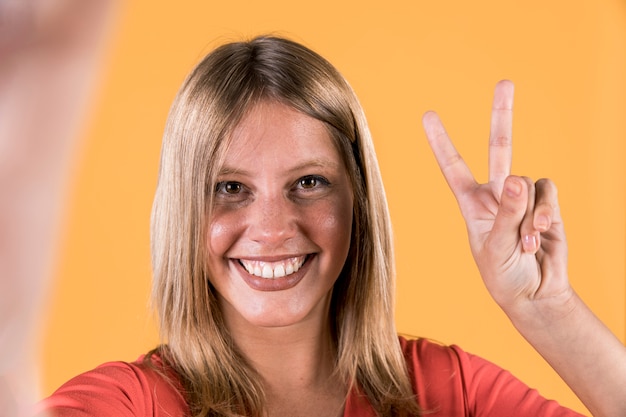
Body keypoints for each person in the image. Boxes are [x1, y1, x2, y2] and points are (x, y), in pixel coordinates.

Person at [36, 36, 625, 417]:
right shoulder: (129, 404)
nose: (271, 228)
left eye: (309, 183)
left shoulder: (446, 392)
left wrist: (547, 308)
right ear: (182, 212)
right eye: (230, 189)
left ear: (358, 203)